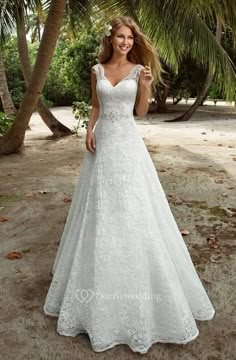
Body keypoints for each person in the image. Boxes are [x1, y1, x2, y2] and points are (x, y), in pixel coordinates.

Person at [43, 15, 215, 354]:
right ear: (111, 39)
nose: (125, 43)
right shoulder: (97, 70)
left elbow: (140, 113)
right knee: (100, 211)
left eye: (130, 39)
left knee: (134, 209)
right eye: (121, 37)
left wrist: (147, 86)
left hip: (128, 147)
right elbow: (95, 106)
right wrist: (90, 131)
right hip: (103, 145)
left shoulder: (138, 71)